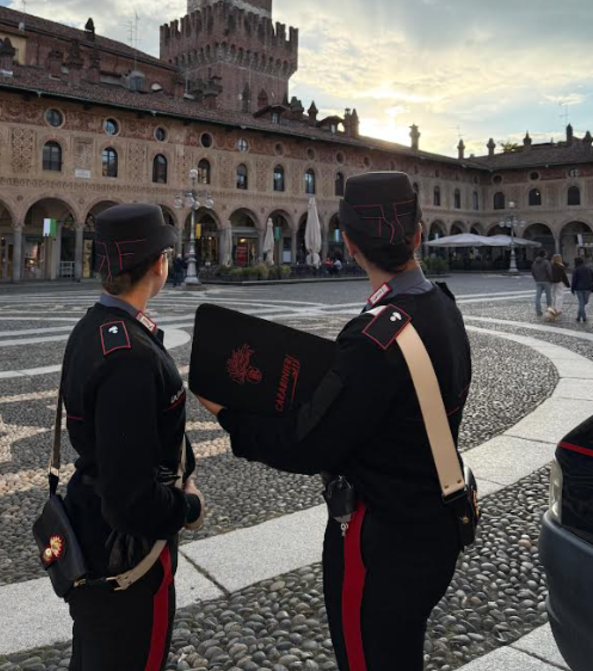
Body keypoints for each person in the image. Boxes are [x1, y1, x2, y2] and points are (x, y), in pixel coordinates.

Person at [197, 172, 472, 671]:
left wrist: (230, 415)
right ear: (418, 233)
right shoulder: (443, 308)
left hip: (382, 546)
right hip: (436, 525)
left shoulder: (373, 340)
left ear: (347, 243)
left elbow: (307, 446)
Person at [62, 204, 204, 671]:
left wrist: (188, 464)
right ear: (161, 263)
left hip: (90, 531)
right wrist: (187, 507)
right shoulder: (129, 354)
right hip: (124, 553)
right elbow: (130, 499)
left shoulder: (93, 328)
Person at [547, 254, 570, 321]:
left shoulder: (550, 266)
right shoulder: (561, 266)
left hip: (552, 282)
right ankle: (558, 309)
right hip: (559, 282)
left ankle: (554, 308)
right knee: (559, 296)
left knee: (554, 296)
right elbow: (564, 276)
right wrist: (567, 284)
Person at [570, 256, 593, 324]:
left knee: (582, 303)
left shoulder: (576, 270)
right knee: (583, 302)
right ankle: (583, 317)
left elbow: (574, 280)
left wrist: (572, 289)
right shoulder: (589, 269)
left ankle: (579, 316)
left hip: (579, 288)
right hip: (587, 288)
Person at [531, 249, 553, 317]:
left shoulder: (534, 262)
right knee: (548, 296)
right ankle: (549, 310)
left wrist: (536, 279)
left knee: (538, 297)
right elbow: (549, 272)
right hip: (546, 281)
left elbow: (533, 272)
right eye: (545, 254)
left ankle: (538, 310)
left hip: (538, 281)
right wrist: (551, 280)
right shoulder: (546, 262)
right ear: (544, 255)